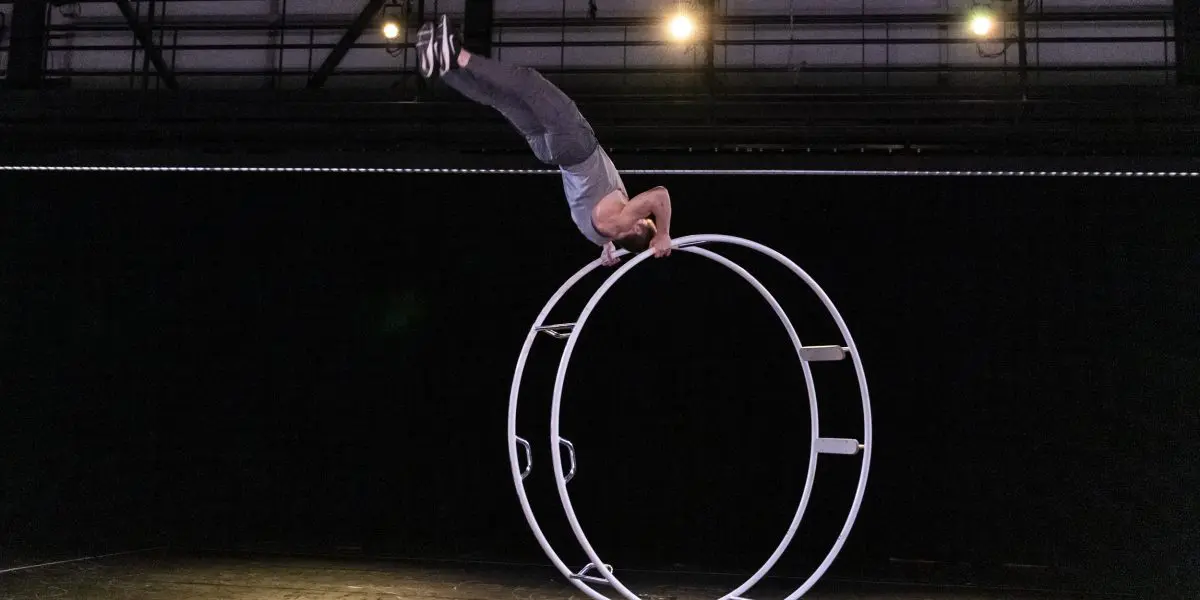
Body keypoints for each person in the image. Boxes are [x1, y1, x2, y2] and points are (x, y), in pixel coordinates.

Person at [416, 15, 672, 266]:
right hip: (549, 152)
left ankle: (456, 55)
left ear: (637, 226)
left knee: (528, 83)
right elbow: (609, 227)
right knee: (502, 99)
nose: (641, 214)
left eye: (644, 219)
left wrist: (662, 234)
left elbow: (659, 197)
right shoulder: (598, 233)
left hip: (575, 145)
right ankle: (443, 70)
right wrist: (607, 247)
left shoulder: (624, 220)